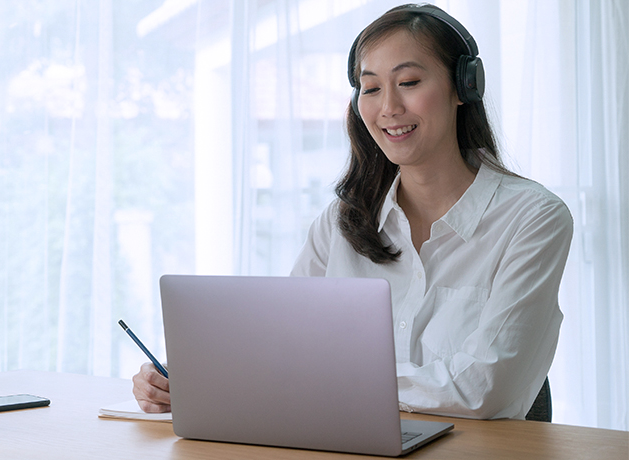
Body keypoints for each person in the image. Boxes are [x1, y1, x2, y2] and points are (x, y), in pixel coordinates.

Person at [132, 3, 573, 420]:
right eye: (371, 88)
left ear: (463, 88)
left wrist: (324, 382)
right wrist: (194, 377)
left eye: (410, 83)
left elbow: (485, 387)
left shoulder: (532, 219)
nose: (388, 108)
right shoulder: (342, 222)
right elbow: (280, 341)